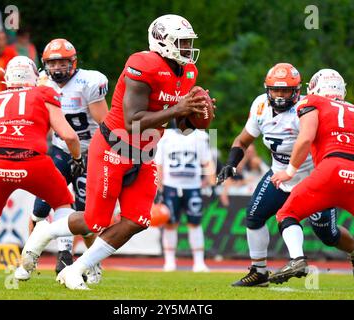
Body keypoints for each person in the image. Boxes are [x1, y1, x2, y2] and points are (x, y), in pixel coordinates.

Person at [17, 14, 210, 290]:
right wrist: (179, 108)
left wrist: (196, 115)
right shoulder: (142, 64)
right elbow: (133, 121)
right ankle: (45, 232)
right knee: (96, 220)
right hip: (114, 147)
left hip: (144, 153)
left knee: (138, 220)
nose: (188, 48)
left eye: (189, 42)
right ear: (162, 42)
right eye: (182, 42)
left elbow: (183, 126)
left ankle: (77, 267)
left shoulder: (189, 72)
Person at [217, 64, 354, 287]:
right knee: (254, 217)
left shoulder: (309, 107)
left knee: (328, 234)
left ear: (297, 90)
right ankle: (259, 272)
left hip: (313, 176)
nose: (280, 95)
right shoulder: (260, 105)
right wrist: (231, 163)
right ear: (267, 89)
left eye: (286, 90)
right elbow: (243, 139)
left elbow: (309, 141)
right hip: (280, 174)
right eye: (276, 90)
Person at [0, 56, 83, 282]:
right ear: (34, 74)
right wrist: (77, 158)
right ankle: (64, 257)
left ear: (7, 76)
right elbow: (69, 135)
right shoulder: (43, 93)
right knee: (63, 202)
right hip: (33, 162)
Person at [269, 69, 354, 284]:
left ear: (315, 87)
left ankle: (297, 259)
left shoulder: (313, 102)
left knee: (287, 213)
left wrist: (289, 171)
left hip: (332, 169)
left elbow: (305, 138)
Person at [28, 38, 108, 282]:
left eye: (63, 62)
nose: (58, 68)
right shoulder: (40, 82)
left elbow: (105, 125)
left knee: (85, 216)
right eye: (53, 63)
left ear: (74, 62)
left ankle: (92, 263)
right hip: (62, 149)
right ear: (45, 64)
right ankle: (28, 260)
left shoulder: (88, 82)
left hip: (90, 151)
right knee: (39, 209)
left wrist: (110, 155)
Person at [155, 123, 215, 272]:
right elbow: (159, 164)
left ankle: (199, 262)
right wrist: (159, 186)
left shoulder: (200, 137)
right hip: (171, 186)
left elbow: (207, 161)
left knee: (194, 223)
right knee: (170, 224)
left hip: (193, 186)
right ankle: (169, 262)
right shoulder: (165, 136)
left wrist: (210, 181)